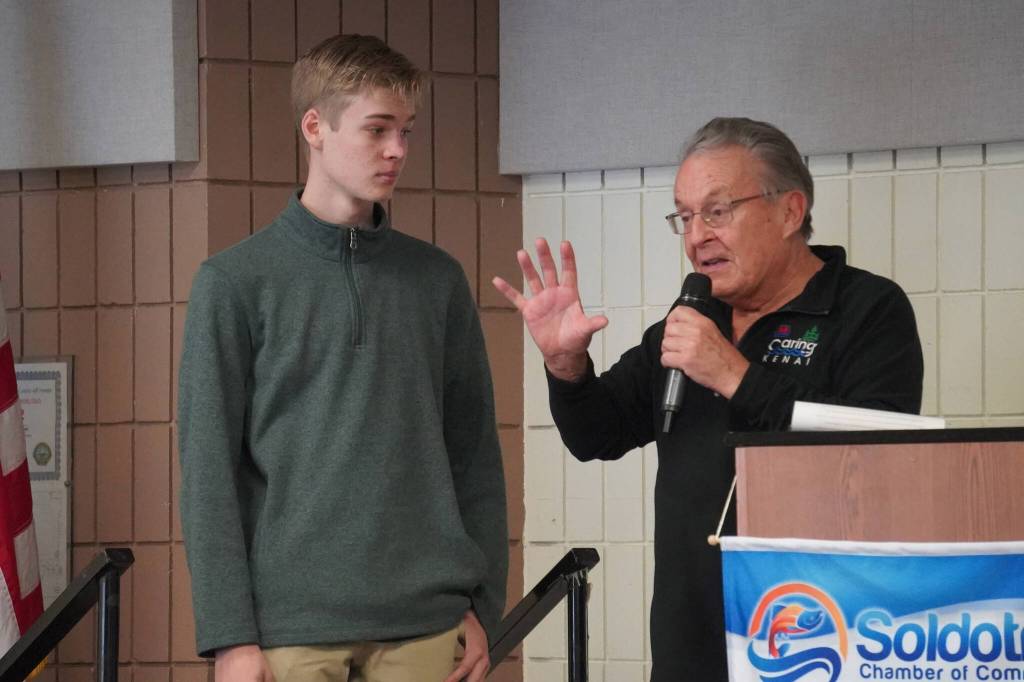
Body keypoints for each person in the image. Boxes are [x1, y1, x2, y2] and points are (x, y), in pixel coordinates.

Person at [493, 117, 924, 680]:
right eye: (686, 216)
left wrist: (736, 376)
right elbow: (595, 435)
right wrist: (565, 363)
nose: (697, 236)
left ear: (790, 211)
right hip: (689, 642)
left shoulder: (867, 310)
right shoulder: (692, 317)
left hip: (819, 634)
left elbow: (884, 457)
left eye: (718, 212)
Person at [178, 34, 507, 682]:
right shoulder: (234, 283)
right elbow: (208, 473)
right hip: (289, 630)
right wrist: (229, 637)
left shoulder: (437, 280)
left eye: (406, 131)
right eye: (377, 129)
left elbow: (475, 457)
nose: (397, 151)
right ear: (315, 127)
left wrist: (481, 606)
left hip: (426, 624)